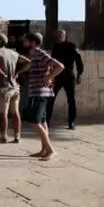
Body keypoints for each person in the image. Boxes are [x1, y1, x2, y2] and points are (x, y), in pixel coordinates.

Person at [23, 33, 64, 161]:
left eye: (26, 41)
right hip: (39, 92)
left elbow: (60, 66)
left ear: (33, 42)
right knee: (42, 121)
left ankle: (51, 150)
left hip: (39, 93)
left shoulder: (40, 54)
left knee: (35, 122)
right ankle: (44, 150)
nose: (24, 43)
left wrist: (49, 77)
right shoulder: (35, 55)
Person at [0, 34, 29, 144]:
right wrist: (17, 73)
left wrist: (1, 73)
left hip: (3, 88)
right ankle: (17, 136)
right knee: (16, 112)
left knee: (3, 113)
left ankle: (3, 137)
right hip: (15, 87)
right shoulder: (14, 53)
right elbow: (28, 62)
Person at [48, 30, 84, 130]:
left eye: (60, 36)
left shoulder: (71, 46)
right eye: (57, 36)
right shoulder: (55, 48)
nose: (58, 38)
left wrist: (79, 75)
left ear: (64, 36)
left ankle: (71, 122)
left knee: (71, 100)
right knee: (51, 99)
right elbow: (51, 62)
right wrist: (51, 76)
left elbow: (79, 60)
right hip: (57, 76)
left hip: (69, 76)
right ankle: (47, 120)